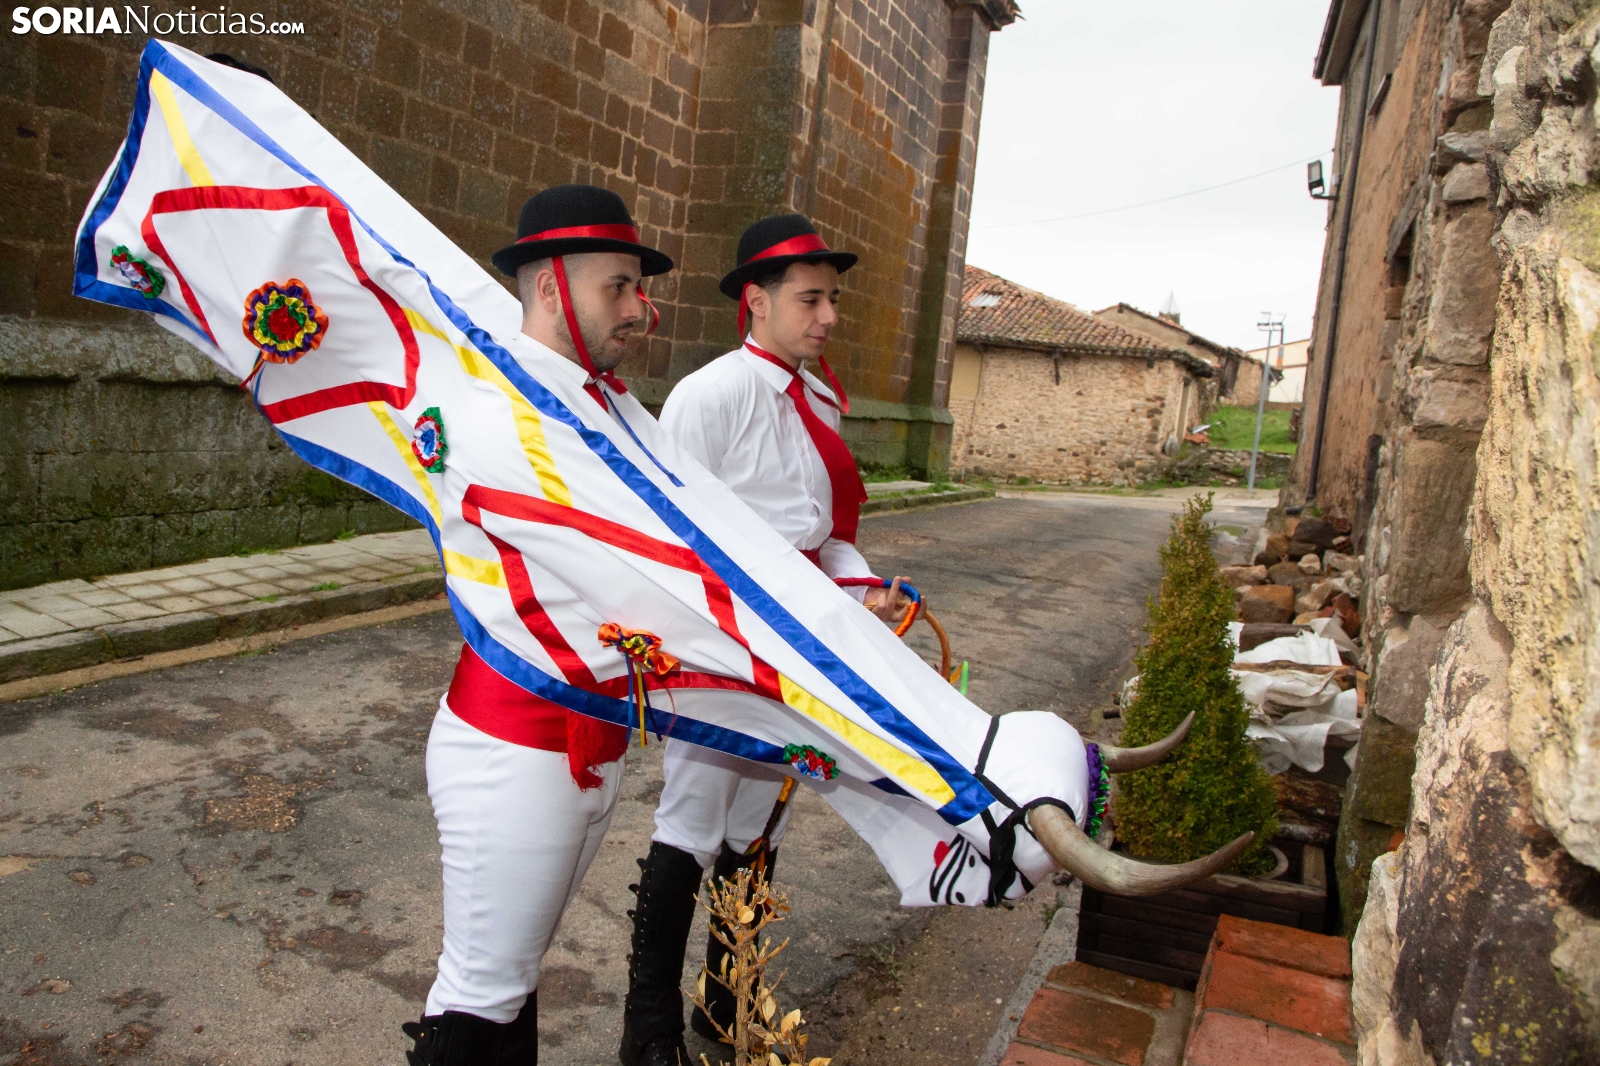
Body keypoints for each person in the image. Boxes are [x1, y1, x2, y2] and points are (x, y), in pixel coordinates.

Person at [618, 215, 914, 1066]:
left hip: (798, 644)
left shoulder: (818, 400)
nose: (829, 317)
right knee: (692, 815)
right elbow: (668, 530)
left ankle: (727, 999)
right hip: (725, 644)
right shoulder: (711, 395)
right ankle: (647, 1029)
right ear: (756, 299)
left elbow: (825, 535)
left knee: (762, 819)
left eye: (833, 300)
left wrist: (864, 588)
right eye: (811, 299)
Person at [404, 183, 673, 1066]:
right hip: (514, 747)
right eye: (618, 286)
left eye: (639, 286)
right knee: (479, 997)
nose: (640, 307)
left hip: (589, 737)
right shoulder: (499, 412)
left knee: (510, 984)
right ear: (553, 286)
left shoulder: (609, 409)